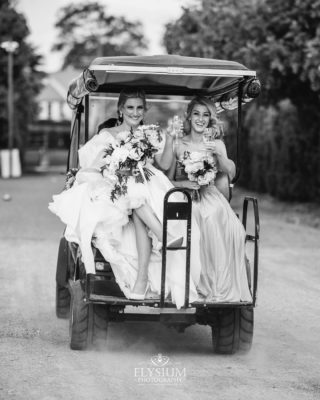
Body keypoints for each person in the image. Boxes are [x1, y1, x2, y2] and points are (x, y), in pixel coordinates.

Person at [49, 89, 199, 308]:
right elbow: (93, 164)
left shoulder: (151, 133)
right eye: (130, 107)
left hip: (148, 182)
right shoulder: (108, 134)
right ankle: (163, 237)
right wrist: (120, 167)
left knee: (139, 208)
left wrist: (171, 140)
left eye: (139, 107)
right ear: (121, 109)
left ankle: (141, 281)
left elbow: (165, 165)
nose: (135, 112)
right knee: (133, 194)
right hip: (119, 185)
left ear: (145, 110)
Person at [167, 96, 252, 302]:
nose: (200, 119)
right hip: (186, 194)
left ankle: (218, 284)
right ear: (189, 116)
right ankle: (197, 283)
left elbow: (230, 171)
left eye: (205, 115)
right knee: (193, 214)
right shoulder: (179, 144)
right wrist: (186, 185)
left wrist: (219, 155)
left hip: (210, 194)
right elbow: (169, 179)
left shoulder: (216, 144)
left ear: (210, 119)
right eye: (196, 114)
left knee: (222, 221)